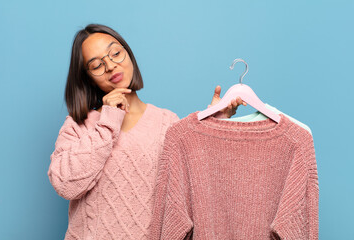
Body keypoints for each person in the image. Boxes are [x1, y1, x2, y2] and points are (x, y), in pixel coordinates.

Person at [48, 23, 245, 240]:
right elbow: (66, 185)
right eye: (97, 65)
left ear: (128, 54)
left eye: (115, 53)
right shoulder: (78, 125)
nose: (111, 66)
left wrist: (214, 122)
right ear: (86, 77)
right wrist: (109, 120)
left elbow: (194, 190)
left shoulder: (167, 122)